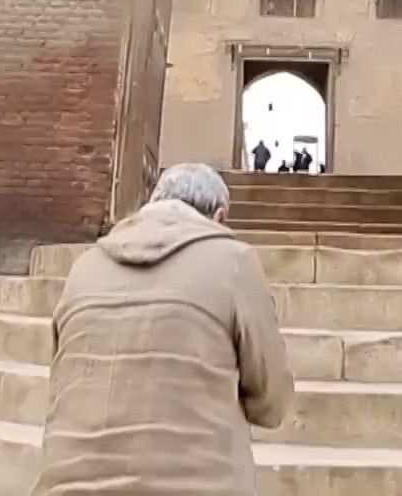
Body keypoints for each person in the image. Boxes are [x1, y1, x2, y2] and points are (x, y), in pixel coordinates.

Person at [33, 163, 293, 495]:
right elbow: (271, 401)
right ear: (219, 217)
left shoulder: (85, 266)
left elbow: (60, 374)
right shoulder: (233, 261)